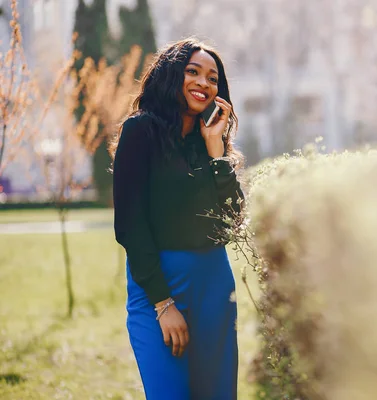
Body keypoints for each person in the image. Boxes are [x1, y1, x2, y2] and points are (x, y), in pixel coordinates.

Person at [111, 38, 245, 400]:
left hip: (215, 284)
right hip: (158, 286)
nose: (203, 83)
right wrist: (163, 303)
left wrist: (216, 149)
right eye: (193, 72)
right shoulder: (140, 132)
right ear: (172, 74)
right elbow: (129, 226)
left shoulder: (210, 141)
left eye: (212, 78)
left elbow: (232, 219)